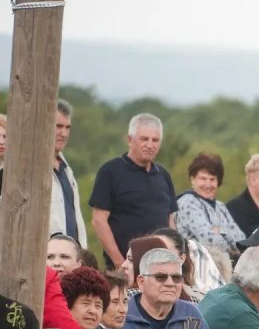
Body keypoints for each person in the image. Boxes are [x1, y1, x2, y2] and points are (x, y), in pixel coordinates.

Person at [89, 114, 178, 270]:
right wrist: (120, 263)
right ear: (130, 140)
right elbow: (99, 221)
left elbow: (170, 221)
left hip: (160, 267)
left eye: (155, 140)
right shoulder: (111, 171)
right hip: (124, 267)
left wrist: (175, 257)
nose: (150, 145)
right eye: (144, 139)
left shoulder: (163, 175)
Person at [175, 152, 244, 256]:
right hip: (197, 266)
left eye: (212, 179)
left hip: (225, 267)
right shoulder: (187, 202)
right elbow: (209, 240)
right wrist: (232, 251)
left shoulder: (220, 206)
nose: (208, 184)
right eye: (203, 179)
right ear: (192, 179)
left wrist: (221, 231)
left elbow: (241, 240)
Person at [47, 100, 88, 245]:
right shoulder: (29, 168)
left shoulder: (66, 169)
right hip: (44, 257)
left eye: (67, 127)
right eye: (58, 126)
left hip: (71, 257)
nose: (63, 133)